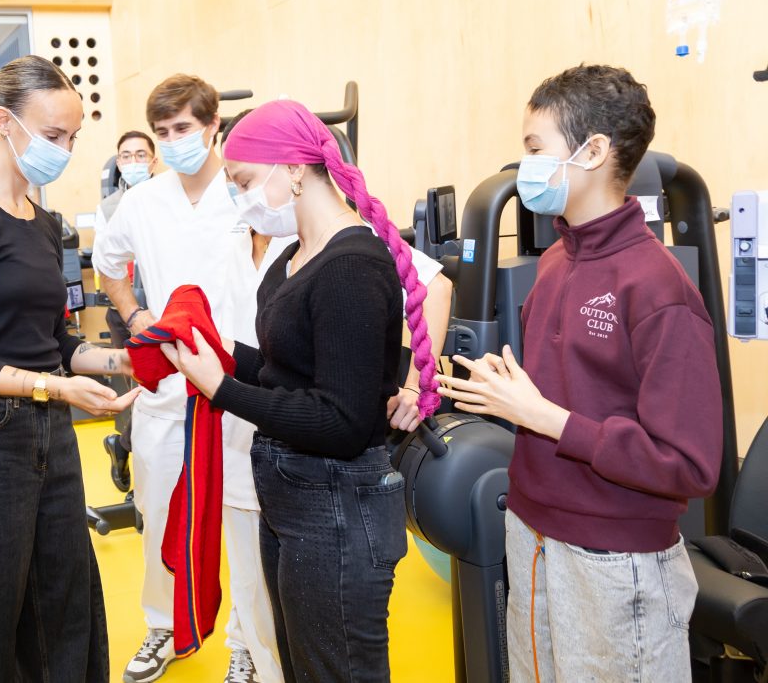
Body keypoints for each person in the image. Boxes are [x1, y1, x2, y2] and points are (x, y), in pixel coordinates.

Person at [435, 64, 723, 682]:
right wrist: (503, 389)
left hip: (616, 563)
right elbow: (561, 396)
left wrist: (546, 417)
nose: (525, 164)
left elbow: (689, 463)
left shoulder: (657, 286)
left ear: (594, 151)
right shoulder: (558, 261)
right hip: (533, 534)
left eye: (535, 148)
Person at [162, 99, 442, 683]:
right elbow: (288, 371)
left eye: (242, 183)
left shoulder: (352, 266)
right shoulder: (293, 257)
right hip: (292, 494)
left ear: (293, 169)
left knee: (336, 669)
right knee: (303, 664)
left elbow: (340, 421)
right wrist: (219, 356)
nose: (240, 200)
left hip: (337, 503)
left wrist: (220, 389)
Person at [0, 54, 138, 682]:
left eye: (72, 138)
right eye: (52, 136)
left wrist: (118, 360)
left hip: (50, 437)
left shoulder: (44, 224)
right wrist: (53, 387)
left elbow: (55, 342)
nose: (63, 150)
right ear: (3, 122)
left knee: (62, 606)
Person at [92, 74, 278, 683]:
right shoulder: (142, 201)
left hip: (240, 393)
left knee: (244, 525)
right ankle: (163, 627)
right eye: (163, 132)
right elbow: (108, 265)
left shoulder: (247, 193)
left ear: (213, 127)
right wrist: (134, 315)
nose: (174, 141)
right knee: (159, 518)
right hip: (168, 392)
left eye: (184, 129)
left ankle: (246, 643)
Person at [96, 130, 158, 492]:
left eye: (140, 155)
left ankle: (121, 445)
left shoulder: (170, 199)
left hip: (165, 309)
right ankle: (125, 450)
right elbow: (111, 264)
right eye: (126, 156)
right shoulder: (110, 208)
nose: (133, 162)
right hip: (127, 312)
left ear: (153, 161)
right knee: (142, 395)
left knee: (165, 397)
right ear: (119, 163)